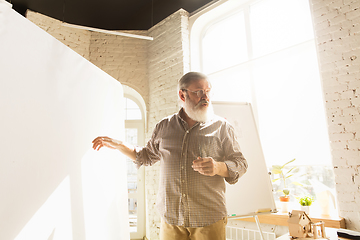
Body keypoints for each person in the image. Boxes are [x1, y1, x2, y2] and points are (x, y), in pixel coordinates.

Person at [92, 72, 248, 240]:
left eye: (208, 91)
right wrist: (120, 145)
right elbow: (145, 156)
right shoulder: (164, 126)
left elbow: (240, 163)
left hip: (208, 218)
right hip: (172, 219)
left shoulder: (222, 127)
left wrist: (218, 167)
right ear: (182, 94)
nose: (205, 97)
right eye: (198, 92)